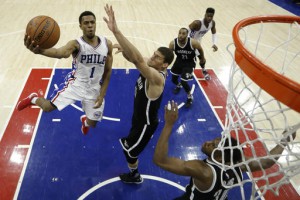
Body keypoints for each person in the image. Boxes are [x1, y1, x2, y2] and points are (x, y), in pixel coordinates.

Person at [154, 101, 296, 200]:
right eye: (213, 140)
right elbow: (266, 163)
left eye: (214, 145)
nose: (208, 143)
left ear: (221, 157)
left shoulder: (203, 171)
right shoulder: (236, 163)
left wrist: (169, 124)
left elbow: (160, 160)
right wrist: (284, 141)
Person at [103, 4, 174, 184]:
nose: (152, 57)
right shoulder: (151, 65)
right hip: (138, 117)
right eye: (154, 53)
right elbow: (136, 58)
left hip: (146, 124)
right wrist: (125, 50)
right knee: (129, 149)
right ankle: (134, 172)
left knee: (130, 151)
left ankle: (135, 176)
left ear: (165, 65)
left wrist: (116, 31)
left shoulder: (157, 78)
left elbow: (136, 60)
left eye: (157, 57)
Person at [17, 11, 113, 135]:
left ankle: (85, 121)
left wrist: (101, 95)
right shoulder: (76, 44)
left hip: (94, 89)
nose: (90, 25)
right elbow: (60, 53)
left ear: (95, 24)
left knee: (92, 123)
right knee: (47, 107)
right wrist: (39, 51)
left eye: (92, 22)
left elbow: (108, 71)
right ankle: (33, 98)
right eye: (86, 23)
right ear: (80, 26)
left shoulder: (107, 44)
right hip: (76, 85)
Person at [169, 28, 206, 108]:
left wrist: (202, 58)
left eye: (183, 33)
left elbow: (200, 49)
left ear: (187, 35)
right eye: (180, 33)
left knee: (184, 81)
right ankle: (178, 85)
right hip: (179, 61)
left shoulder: (193, 42)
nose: (181, 35)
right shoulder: (173, 44)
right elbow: (169, 55)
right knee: (173, 79)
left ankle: (189, 96)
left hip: (189, 63)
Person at [188, 7, 217, 80]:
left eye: (211, 16)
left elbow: (214, 32)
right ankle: (188, 71)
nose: (209, 18)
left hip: (197, 41)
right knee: (190, 57)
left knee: (201, 58)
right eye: (208, 16)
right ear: (205, 14)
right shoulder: (197, 23)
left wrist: (214, 43)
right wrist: (188, 41)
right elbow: (187, 30)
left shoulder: (212, 23)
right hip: (189, 40)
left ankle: (203, 70)